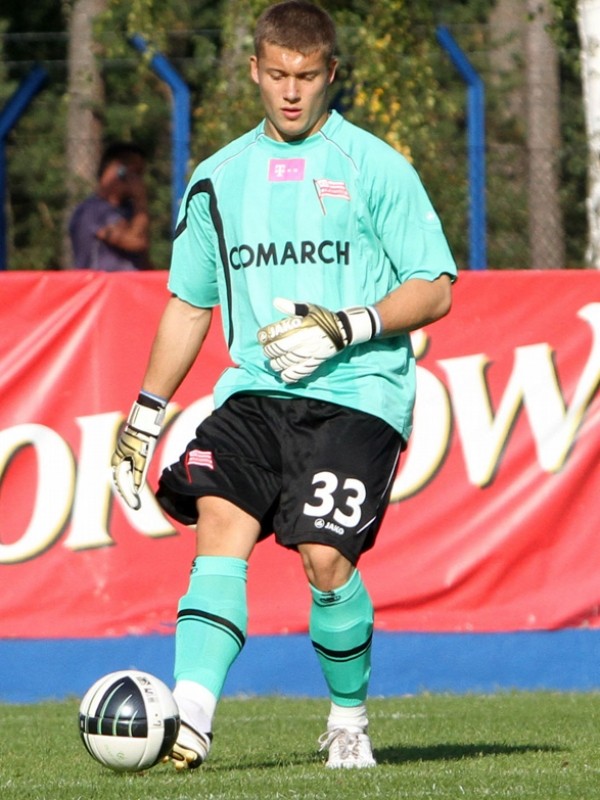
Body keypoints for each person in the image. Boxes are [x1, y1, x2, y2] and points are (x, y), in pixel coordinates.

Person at [111, 0, 457, 771]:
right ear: (255, 71)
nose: (291, 92)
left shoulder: (374, 166)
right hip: (252, 394)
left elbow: (434, 287)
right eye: (276, 75)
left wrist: (347, 325)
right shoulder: (216, 179)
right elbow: (189, 305)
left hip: (358, 391)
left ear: (331, 73)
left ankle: (348, 718)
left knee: (325, 561)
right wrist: (143, 416)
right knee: (218, 521)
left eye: (305, 76)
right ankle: (190, 719)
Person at [68, 141, 151, 271]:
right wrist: (141, 201)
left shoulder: (130, 210)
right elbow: (136, 242)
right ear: (119, 172)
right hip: (100, 283)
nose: (140, 181)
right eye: (136, 173)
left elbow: (143, 255)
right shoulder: (91, 210)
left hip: (130, 282)